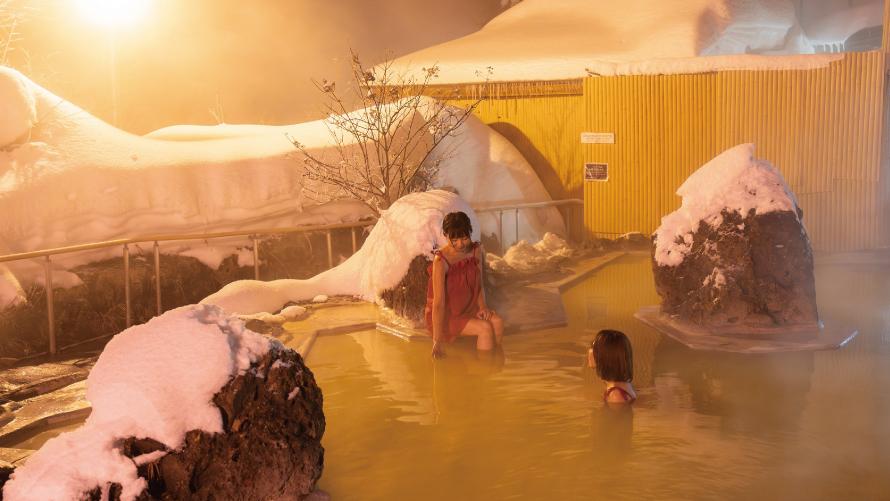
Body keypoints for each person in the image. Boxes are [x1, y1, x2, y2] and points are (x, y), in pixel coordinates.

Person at [426, 211, 504, 358]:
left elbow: (479, 281)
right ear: (445, 235)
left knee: (498, 322)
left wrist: (483, 307)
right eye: (454, 240)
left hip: (470, 307)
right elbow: (438, 304)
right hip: (449, 314)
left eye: (464, 238)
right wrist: (436, 341)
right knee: (485, 328)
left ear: (470, 232)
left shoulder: (475, 250)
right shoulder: (441, 261)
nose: (460, 244)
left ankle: (496, 362)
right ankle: (485, 373)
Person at [587, 329, 637, 403]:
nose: (589, 351)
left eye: (594, 347)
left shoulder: (615, 395)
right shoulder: (620, 385)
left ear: (605, 357)